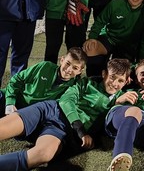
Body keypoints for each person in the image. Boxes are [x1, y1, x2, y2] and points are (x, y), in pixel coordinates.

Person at [0, 58, 131, 170]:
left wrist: (116, 104)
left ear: (126, 82)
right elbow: (66, 100)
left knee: (43, 154)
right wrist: (80, 130)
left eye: (120, 81)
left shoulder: (121, 102)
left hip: (60, 130)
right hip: (50, 110)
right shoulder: (86, 83)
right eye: (112, 77)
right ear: (104, 74)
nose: (114, 83)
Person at [83, 0, 144, 77]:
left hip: (127, 46)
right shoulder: (115, 5)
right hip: (110, 39)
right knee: (90, 48)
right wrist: (92, 37)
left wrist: (142, 60)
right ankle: (93, 80)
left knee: (121, 72)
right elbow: (100, 21)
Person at [0, 47, 86, 117]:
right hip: (13, 98)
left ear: (80, 71)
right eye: (67, 63)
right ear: (62, 60)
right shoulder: (45, 66)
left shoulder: (74, 88)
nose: (68, 70)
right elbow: (17, 79)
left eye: (75, 68)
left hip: (30, 115)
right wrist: (10, 103)